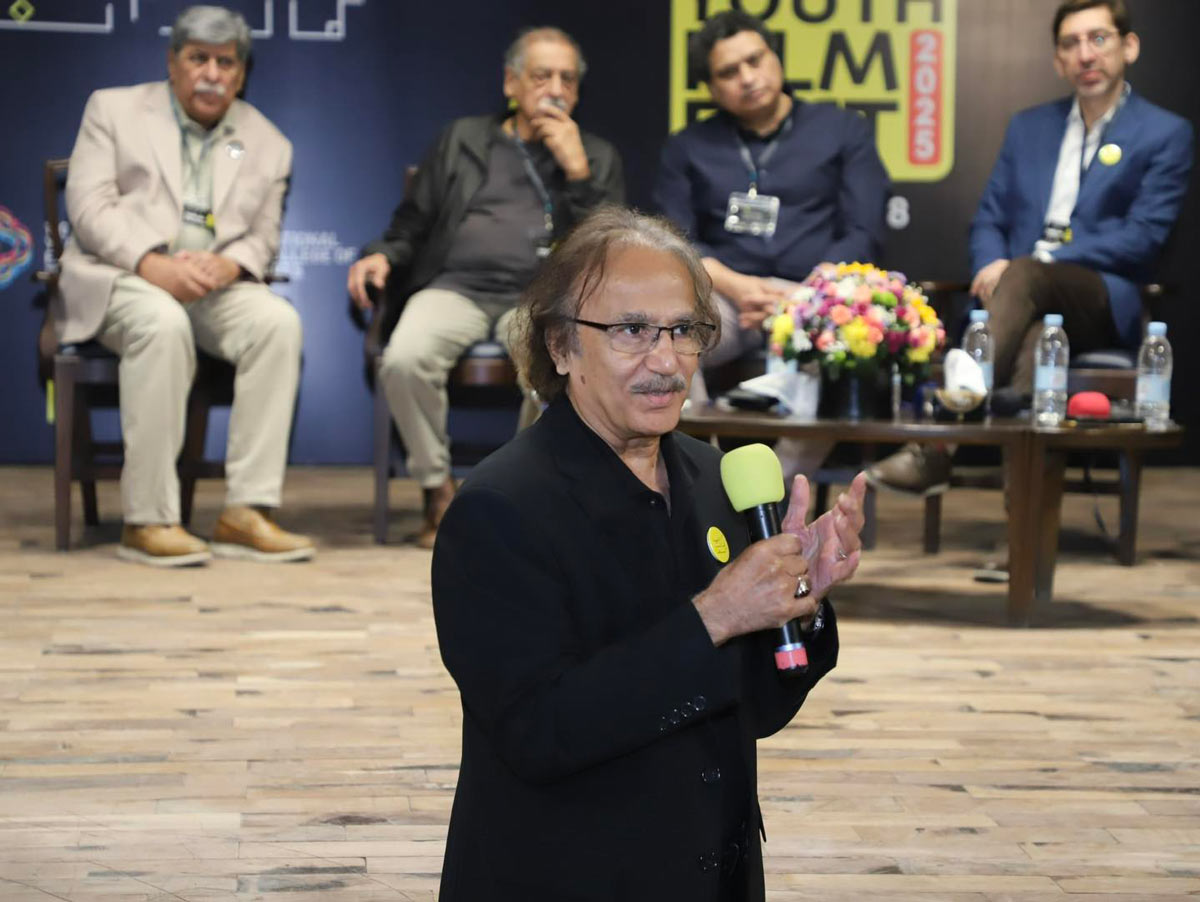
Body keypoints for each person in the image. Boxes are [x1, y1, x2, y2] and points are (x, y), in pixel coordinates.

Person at [431, 207, 867, 900]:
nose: (666, 361)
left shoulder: (716, 478)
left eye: (684, 330)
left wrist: (797, 610)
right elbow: (538, 733)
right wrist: (716, 617)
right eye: (631, 330)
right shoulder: (499, 510)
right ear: (561, 346)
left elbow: (754, 711)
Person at [868, 0, 1194, 496]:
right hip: (1021, 303)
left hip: (1099, 298)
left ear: (1129, 46)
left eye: (1099, 38)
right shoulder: (1029, 127)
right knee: (1037, 339)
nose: (1086, 54)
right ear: (1058, 61)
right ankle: (1022, 526)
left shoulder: (1164, 132)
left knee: (1026, 274)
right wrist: (990, 265)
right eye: (1070, 44)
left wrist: (1040, 261)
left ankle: (935, 446)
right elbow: (990, 219)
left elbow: (1143, 236)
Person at [347, 26, 625, 548]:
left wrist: (578, 174)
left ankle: (522, 497)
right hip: (455, 288)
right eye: (542, 76)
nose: (555, 89)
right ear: (510, 83)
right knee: (404, 358)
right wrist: (382, 254)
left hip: (540, 298)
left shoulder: (596, 155)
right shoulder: (462, 140)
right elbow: (413, 222)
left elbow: (608, 247)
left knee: (549, 368)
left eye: (567, 79)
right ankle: (437, 491)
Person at [56, 4, 312, 567]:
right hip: (121, 275)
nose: (212, 74)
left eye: (226, 63)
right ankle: (148, 520)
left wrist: (231, 265)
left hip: (210, 285)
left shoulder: (268, 142)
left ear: (241, 74)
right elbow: (89, 208)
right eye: (199, 59)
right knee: (162, 321)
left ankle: (245, 512)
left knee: (278, 324)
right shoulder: (113, 109)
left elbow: (263, 236)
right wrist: (151, 264)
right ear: (173, 63)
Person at [654, 9, 889, 386]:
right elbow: (677, 242)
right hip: (727, 296)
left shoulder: (842, 129)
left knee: (855, 334)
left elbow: (863, 230)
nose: (748, 78)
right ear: (711, 88)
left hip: (818, 292)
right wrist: (739, 287)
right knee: (673, 334)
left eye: (755, 60)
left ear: (775, 57)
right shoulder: (688, 147)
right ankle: (687, 428)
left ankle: (796, 436)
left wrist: (805, 298)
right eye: (729, 72)